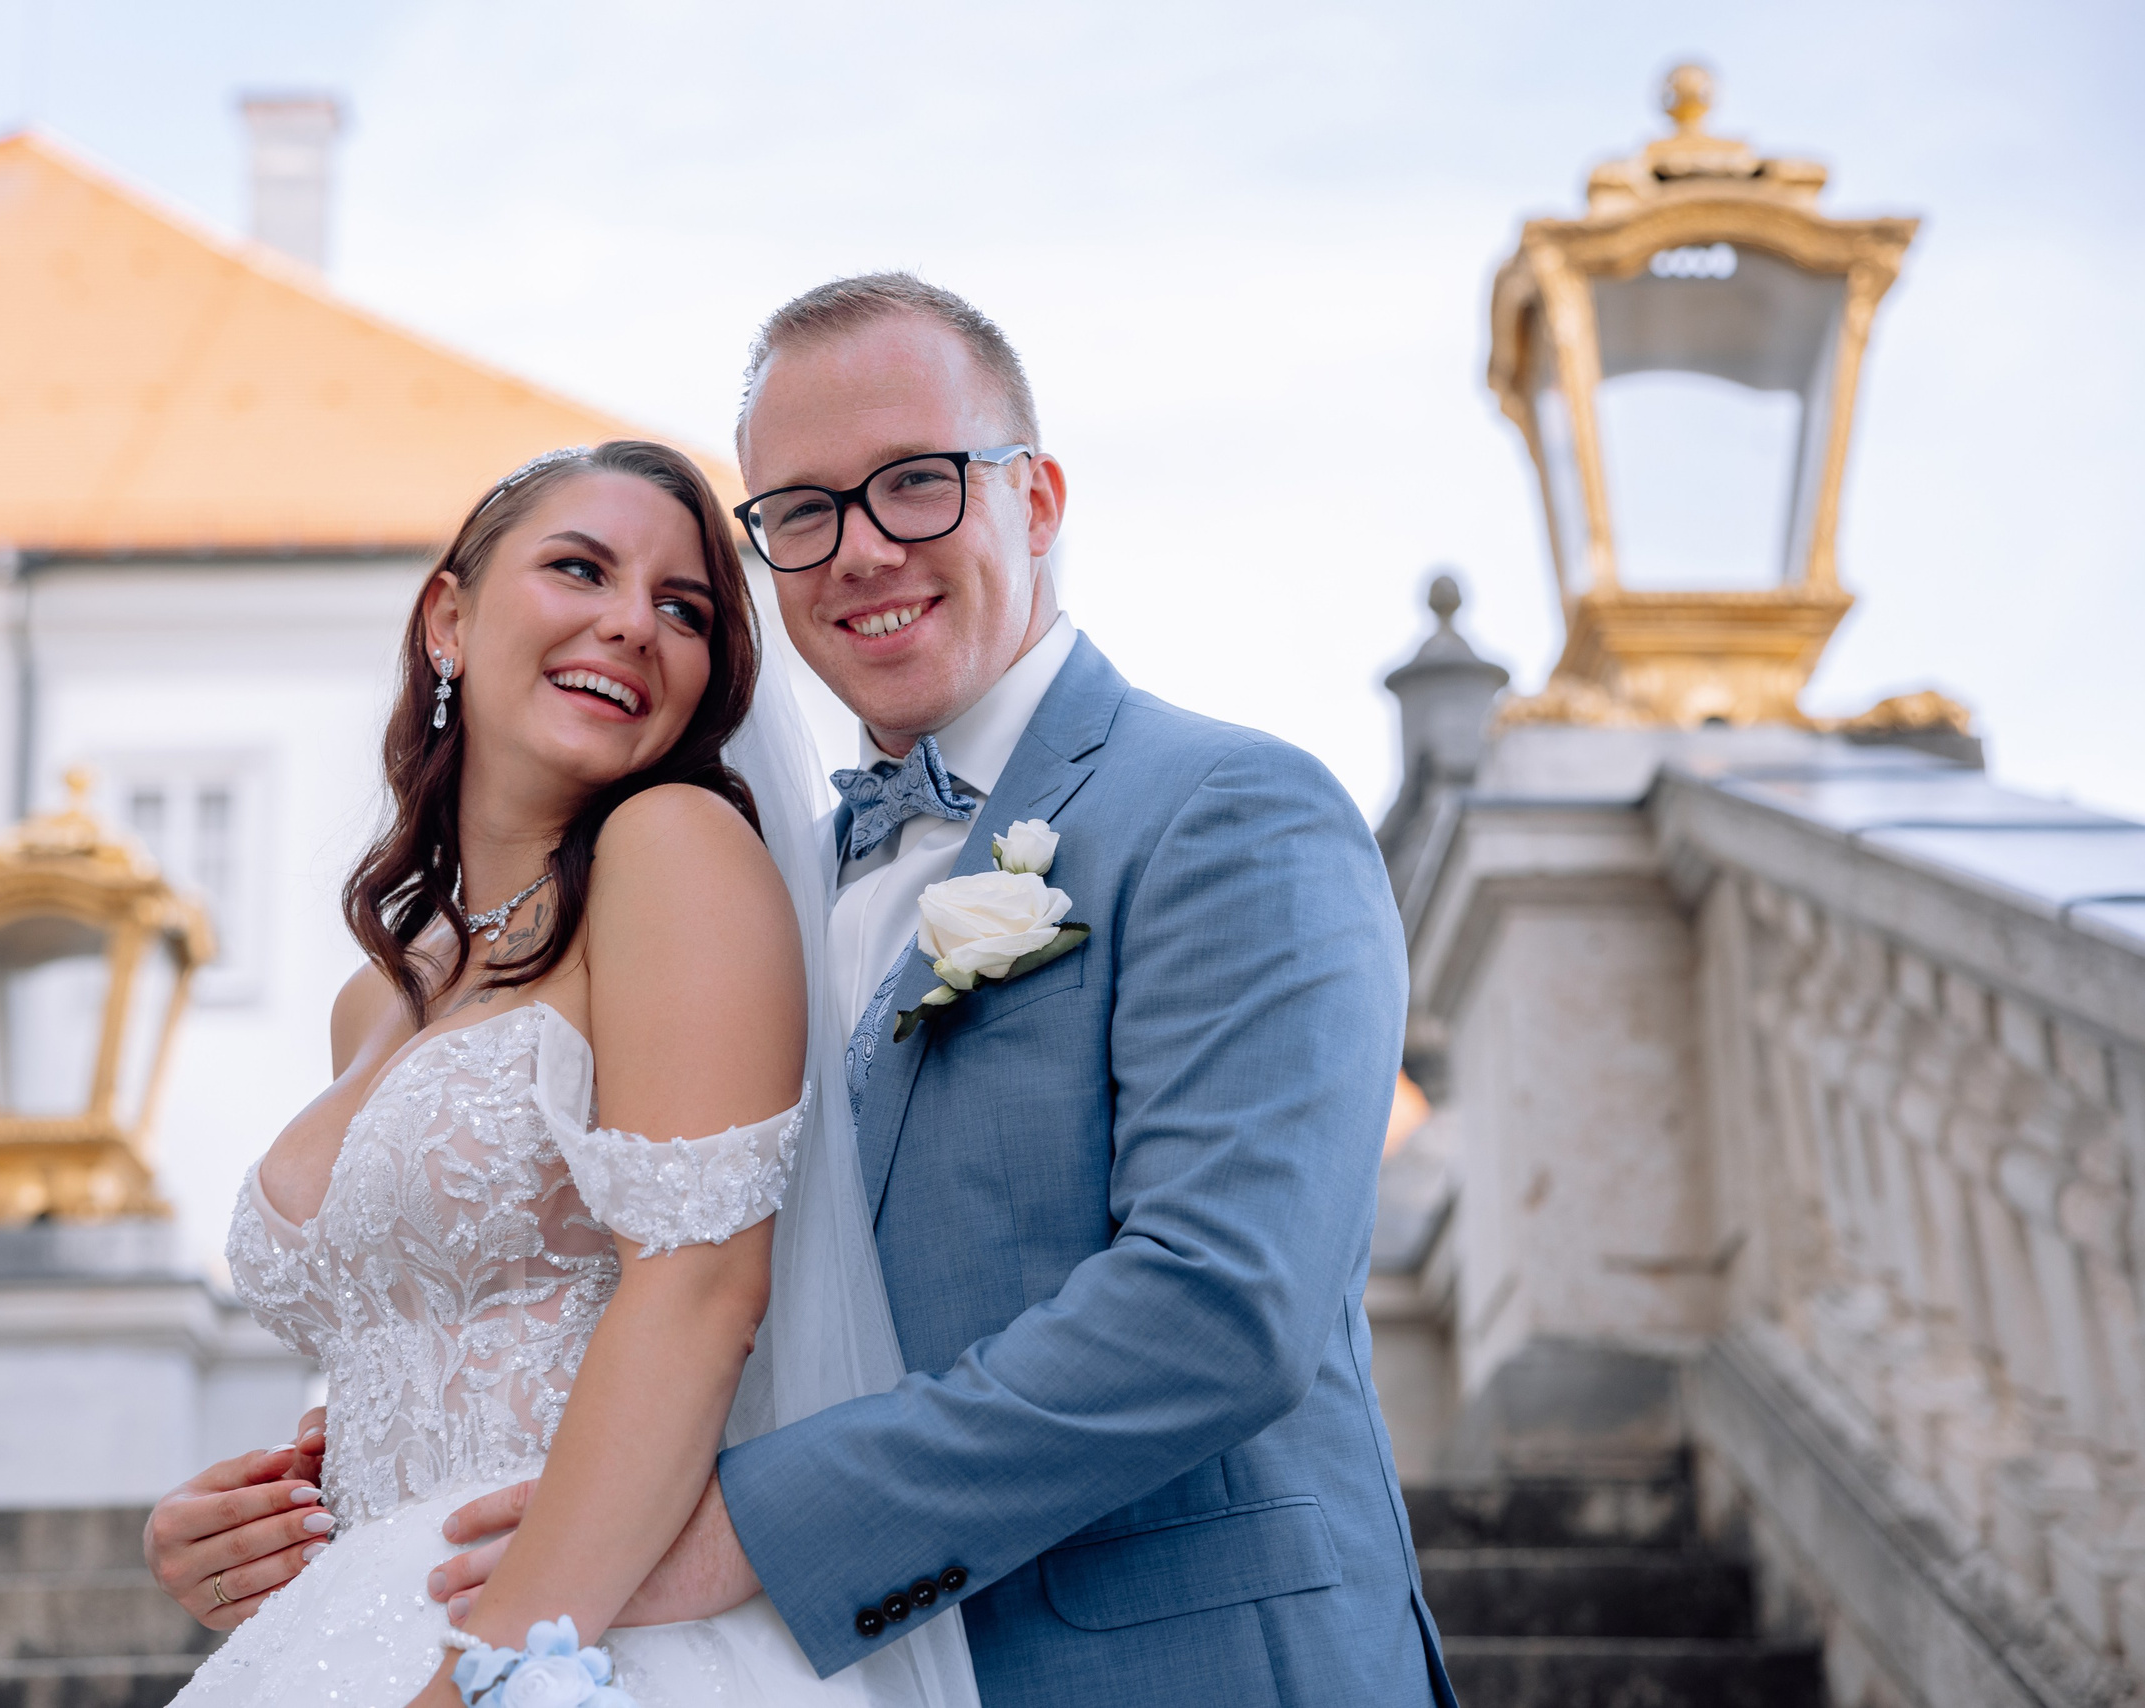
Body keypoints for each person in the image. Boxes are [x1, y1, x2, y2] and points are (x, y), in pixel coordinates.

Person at [157, 275, 1455, 1707]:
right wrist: (323, 1498)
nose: (861, 551)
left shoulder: (1224, 810)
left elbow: (1222, 1304)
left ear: (1039, 501)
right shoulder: (754, 881)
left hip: (1171, 1661)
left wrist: (758, 1533)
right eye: (802, 514)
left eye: (917, 484)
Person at [155, 437, 979, 1706]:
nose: (630, 623)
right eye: (579, 568)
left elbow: (703, 1290)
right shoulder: (372, 997)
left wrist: (487, 1674)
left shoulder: (674, 849)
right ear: (448, 616)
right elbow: (450, 1332)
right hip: (343, 1629)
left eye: (683, 607)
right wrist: (254, 1521)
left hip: (580, 1635)